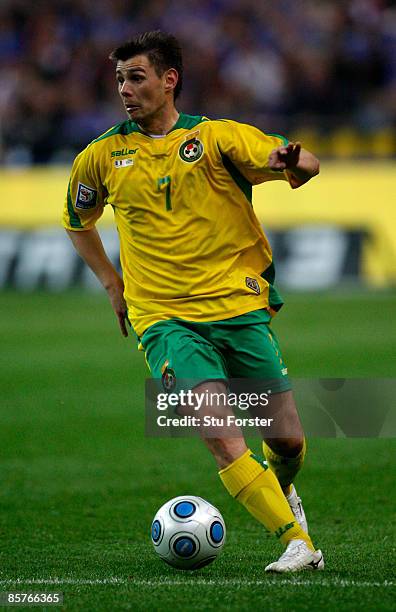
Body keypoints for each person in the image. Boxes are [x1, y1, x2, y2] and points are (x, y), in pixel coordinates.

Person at [63, 30, 323, 573]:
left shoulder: (219, 138)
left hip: (236, 306)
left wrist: (293, 162)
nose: (125, 90)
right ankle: (298, 543)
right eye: (119, 80)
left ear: (168, 80)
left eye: (136, 77)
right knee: (220, 432)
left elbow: (303, 164)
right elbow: (76, 221)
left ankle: (282, 484)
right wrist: (114, 285)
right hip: (163, 320)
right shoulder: (101, 156)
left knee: (288, 438)